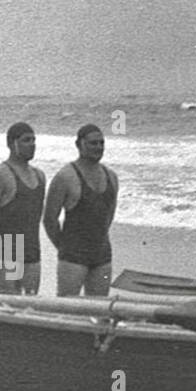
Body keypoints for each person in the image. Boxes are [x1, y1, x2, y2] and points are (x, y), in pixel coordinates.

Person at [44, 123, 119, 296]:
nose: (98, 147)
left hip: (102, 255)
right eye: (93, 143)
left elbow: (109, 215)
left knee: (99, 309)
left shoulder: (111, 177)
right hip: (73, 257)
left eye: (101, 143)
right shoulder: (65, 177)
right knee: (67, 307)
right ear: (79, 145)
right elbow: (49, 219)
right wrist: (64, 248)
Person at [0, 122, 44, 293]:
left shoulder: (40, 176)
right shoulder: (1, 174)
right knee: (8, 302)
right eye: (26, 140)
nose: (32, 145)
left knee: (31, 303)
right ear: (11, 144)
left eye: (33, 140)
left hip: (32, 251)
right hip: (6, 254)